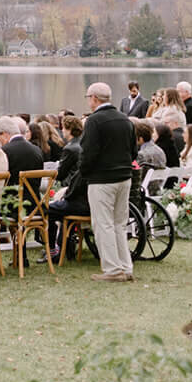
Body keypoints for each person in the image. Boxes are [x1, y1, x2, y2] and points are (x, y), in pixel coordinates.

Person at [79, 81, 135, 281]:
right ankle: (126, 267)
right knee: (119, 224)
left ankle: (112, 270)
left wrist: (84, 172)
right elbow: (133, 150)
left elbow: (88, 152)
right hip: (124, 176)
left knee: (103, 224)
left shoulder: (95, 121)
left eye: (88, 97)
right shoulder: (125, 119)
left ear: (94, 98)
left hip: (102, 178)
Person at [0, 117, 44, 188]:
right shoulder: (37, 149)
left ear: (4, 134)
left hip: (12, 197)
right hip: (34, 197)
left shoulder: (4, 151)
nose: (0, 143)